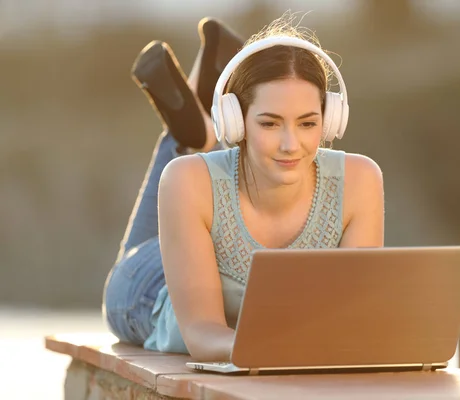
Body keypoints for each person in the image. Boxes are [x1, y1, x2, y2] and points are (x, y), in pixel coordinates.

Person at [102, 13, 385, 362]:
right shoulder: (186, 181)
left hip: (205, 235)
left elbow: (353, 317)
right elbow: (202, 334)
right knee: (186, 184)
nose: (290, 144)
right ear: (235, 122)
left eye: (307, 123)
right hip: (148, 291)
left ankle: (198, 134)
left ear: (331, 119)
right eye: (269, 123)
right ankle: (189, 137)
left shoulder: (359, 180)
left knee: (215, 175)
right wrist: (281, 349)